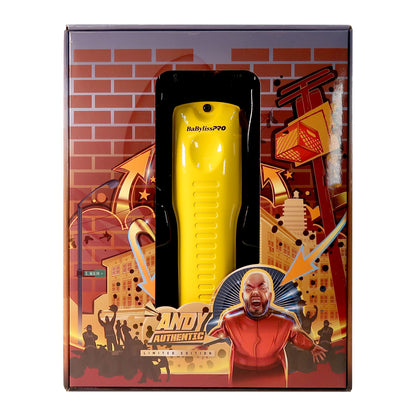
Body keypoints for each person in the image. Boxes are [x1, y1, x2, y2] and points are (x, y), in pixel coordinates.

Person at [206, 269, 327, 387]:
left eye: (262, 288)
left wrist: (312, 347)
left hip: (274, 372)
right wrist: (203, 345)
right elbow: (216, 336)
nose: (255, 292)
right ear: (242, 296)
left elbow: (296, 336)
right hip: (241, 373)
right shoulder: (230, 320)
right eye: (249, 289)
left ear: (270, 295)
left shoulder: (285, 322)